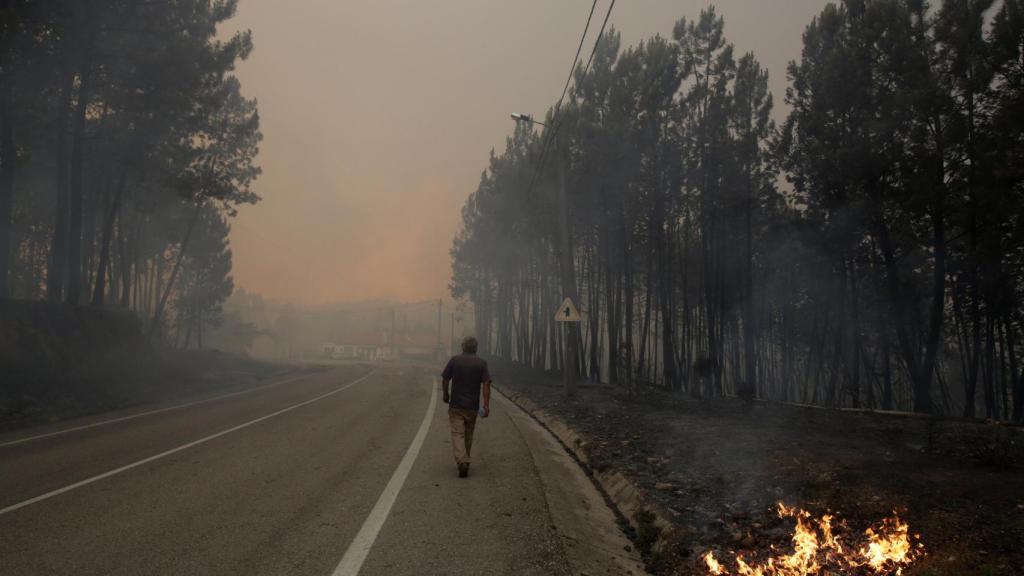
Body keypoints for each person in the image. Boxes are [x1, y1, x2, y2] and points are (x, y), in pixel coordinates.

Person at [441, 336, 491, 478]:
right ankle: (465, 461)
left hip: (456, 405)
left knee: (458, 433)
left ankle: (462, 460)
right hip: (472, 407)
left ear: (463, 347)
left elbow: (445, 378)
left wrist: (445, 394)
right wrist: (486, 405)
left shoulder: (455, 360)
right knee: (468, 434)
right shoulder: (481, 363)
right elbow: (486, 383)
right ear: (476, 348)